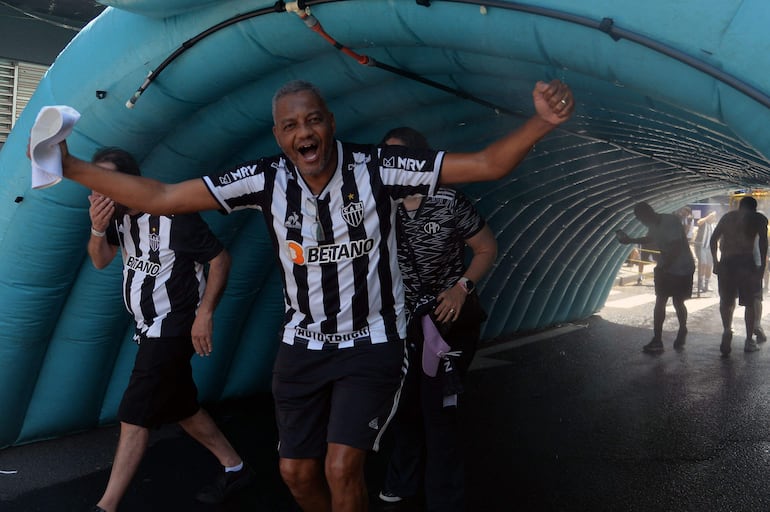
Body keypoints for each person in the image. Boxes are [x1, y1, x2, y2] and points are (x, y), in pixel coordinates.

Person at [44, 78, 573, 511]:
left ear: (331, 124)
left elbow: (486, 164)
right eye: (291, 124)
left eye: (313, 119)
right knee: (296, 474)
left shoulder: (378, 168)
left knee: (343, 467)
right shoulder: (265, 180)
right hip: (302, 346)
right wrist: (67, 166)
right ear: (278, 136)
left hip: (372, 343)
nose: (305, 131)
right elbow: (161, 196)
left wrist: (541, 122)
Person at [85, 148, 253, 512]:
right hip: (146, 327)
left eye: (106, 183)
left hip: (173, 328)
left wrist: (205, 313)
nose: (99, 192)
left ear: (127, 183)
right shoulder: (115, 217)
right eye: (94, 184)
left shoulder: (173, 216)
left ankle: (106, 506)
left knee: (134, 414)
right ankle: (234, 467)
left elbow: (220, 259)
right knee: (181, 405)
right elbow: (100, 260)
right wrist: (98, 228)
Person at [376, 127, 497, 510]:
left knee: (439, 414)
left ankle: (445, 498)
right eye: (385, 158)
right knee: (405, 407)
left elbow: (486, 247)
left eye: (399, 158)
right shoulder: (378, 206)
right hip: (406, 326)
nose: (391, 166)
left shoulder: (447, 200)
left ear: (418, 161)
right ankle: (402, 480)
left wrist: (461, 288)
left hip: (449, 324)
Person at [616, 202, 695, 353]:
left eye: (641, 218)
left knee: (677, 302)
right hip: (668, 266)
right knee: (661, 301)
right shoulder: (654, 224)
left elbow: (676, 246)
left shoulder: (670, 221)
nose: (641, 222)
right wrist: (630, 240)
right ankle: (658, 338)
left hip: (682, 267)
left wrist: (665, 267)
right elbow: (649, 239)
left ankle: (681, 329)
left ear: (648, 213)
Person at [710, 196, 768, 355]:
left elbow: (713, 239)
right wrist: (762, 268)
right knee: (750, 303)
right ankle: (749, 341)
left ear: (739, 206)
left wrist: (715, 262)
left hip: (727, 263)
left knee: (726, 300)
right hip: (746, 263)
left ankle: (727, 330)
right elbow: (763, 244)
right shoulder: (759, 218)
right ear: (754, 207)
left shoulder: (727, 217)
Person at [694, 210, 717, 293]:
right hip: (701, 246)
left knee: (709, 266)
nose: (713, 218)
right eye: (712, 216)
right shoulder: (703, 223)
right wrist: (708, 216)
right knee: (702, 264)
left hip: (709, 248)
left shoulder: (714, 226)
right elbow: (698, 222)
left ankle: (706, 284)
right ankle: (700, 284)